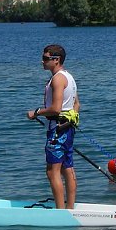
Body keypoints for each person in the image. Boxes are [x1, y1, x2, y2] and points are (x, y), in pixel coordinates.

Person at [27, 44, 80, 209]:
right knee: (67, 168)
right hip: (67, 129)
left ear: (56, 60)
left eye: (45, 58)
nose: (42, 61)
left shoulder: (57, 79)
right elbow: (76, 104)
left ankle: (60, 211)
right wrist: (70, 120)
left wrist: (36, 112)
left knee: (52, 171)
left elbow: (56, 108)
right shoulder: (69, 77)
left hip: (57, 130)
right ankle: (70, 208)